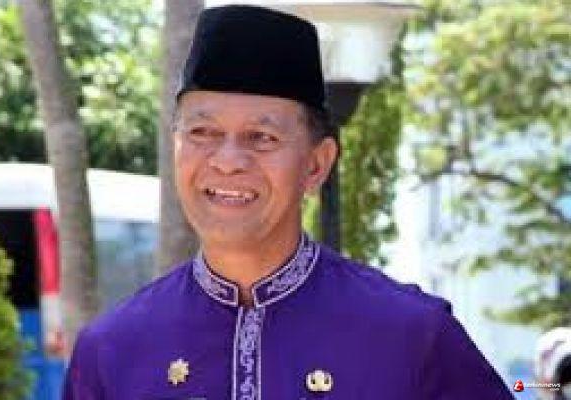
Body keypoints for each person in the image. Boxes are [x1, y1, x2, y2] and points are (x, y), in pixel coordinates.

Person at [63, 5, 514, 399]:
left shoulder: (412, 336)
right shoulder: (113, 350)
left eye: (261, 137)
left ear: (316, 164)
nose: (227, 161)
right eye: (202, 132)